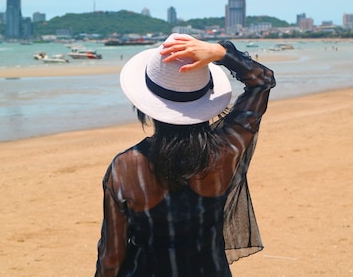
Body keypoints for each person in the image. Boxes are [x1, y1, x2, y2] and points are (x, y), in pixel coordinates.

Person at [95, 34, 276, 277]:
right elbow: (262, 81)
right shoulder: (226, 151)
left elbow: (111, 255)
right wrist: (222, 53)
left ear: (145, 105)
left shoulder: (127, 166)